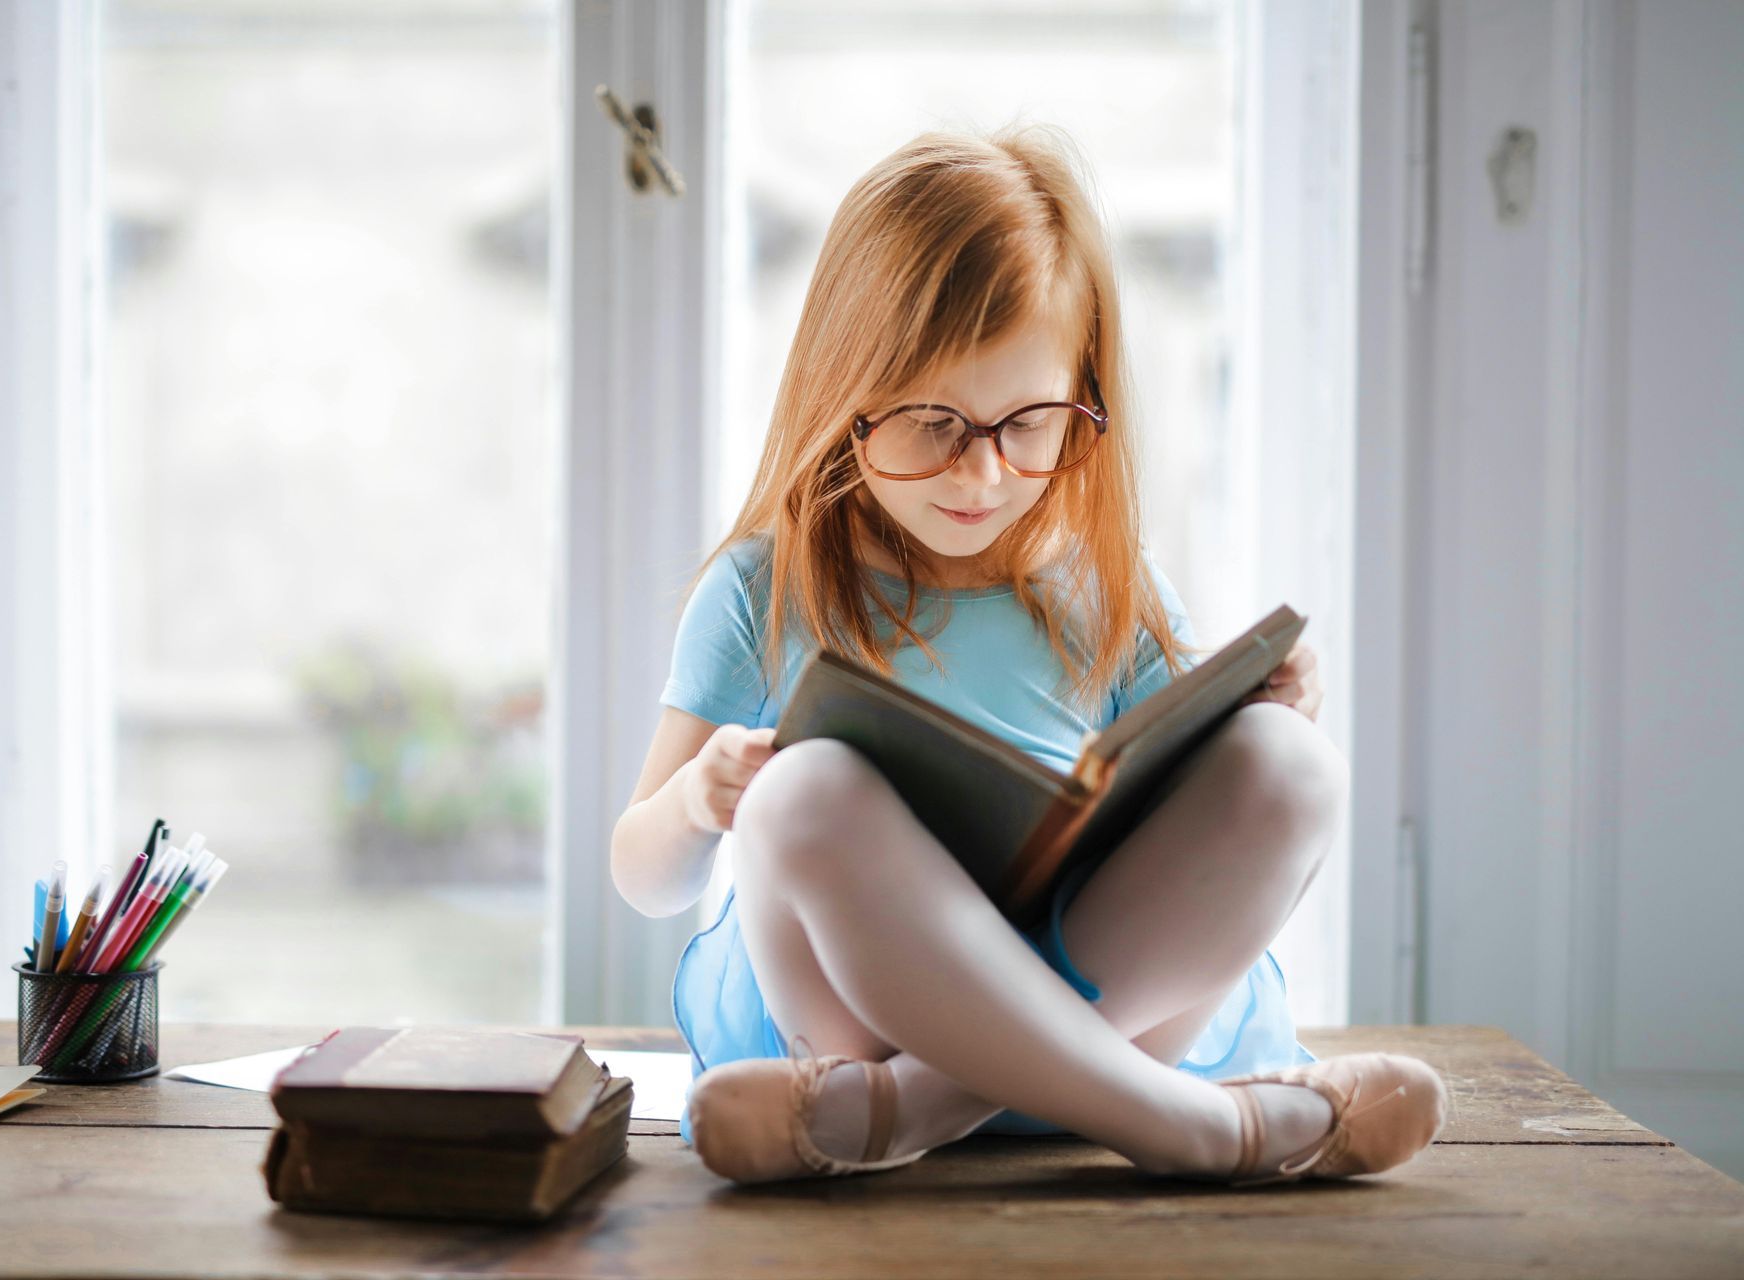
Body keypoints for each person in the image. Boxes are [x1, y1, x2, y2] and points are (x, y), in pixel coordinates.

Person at [610, 123, 1446, 1188]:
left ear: (1081, 400)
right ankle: (1200, 1128)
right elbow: (641, 876)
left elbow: (1206, 795)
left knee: (1291, 762)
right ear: (843, 394)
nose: (985, 474)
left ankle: (917, 1108)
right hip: (854, 1019)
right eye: (930, 423)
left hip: (1087, 1011)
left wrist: (1273, 706)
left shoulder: (1104, 578)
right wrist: (698, 800)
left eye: (1031, 424)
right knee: (799, 792)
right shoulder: (765, 587)